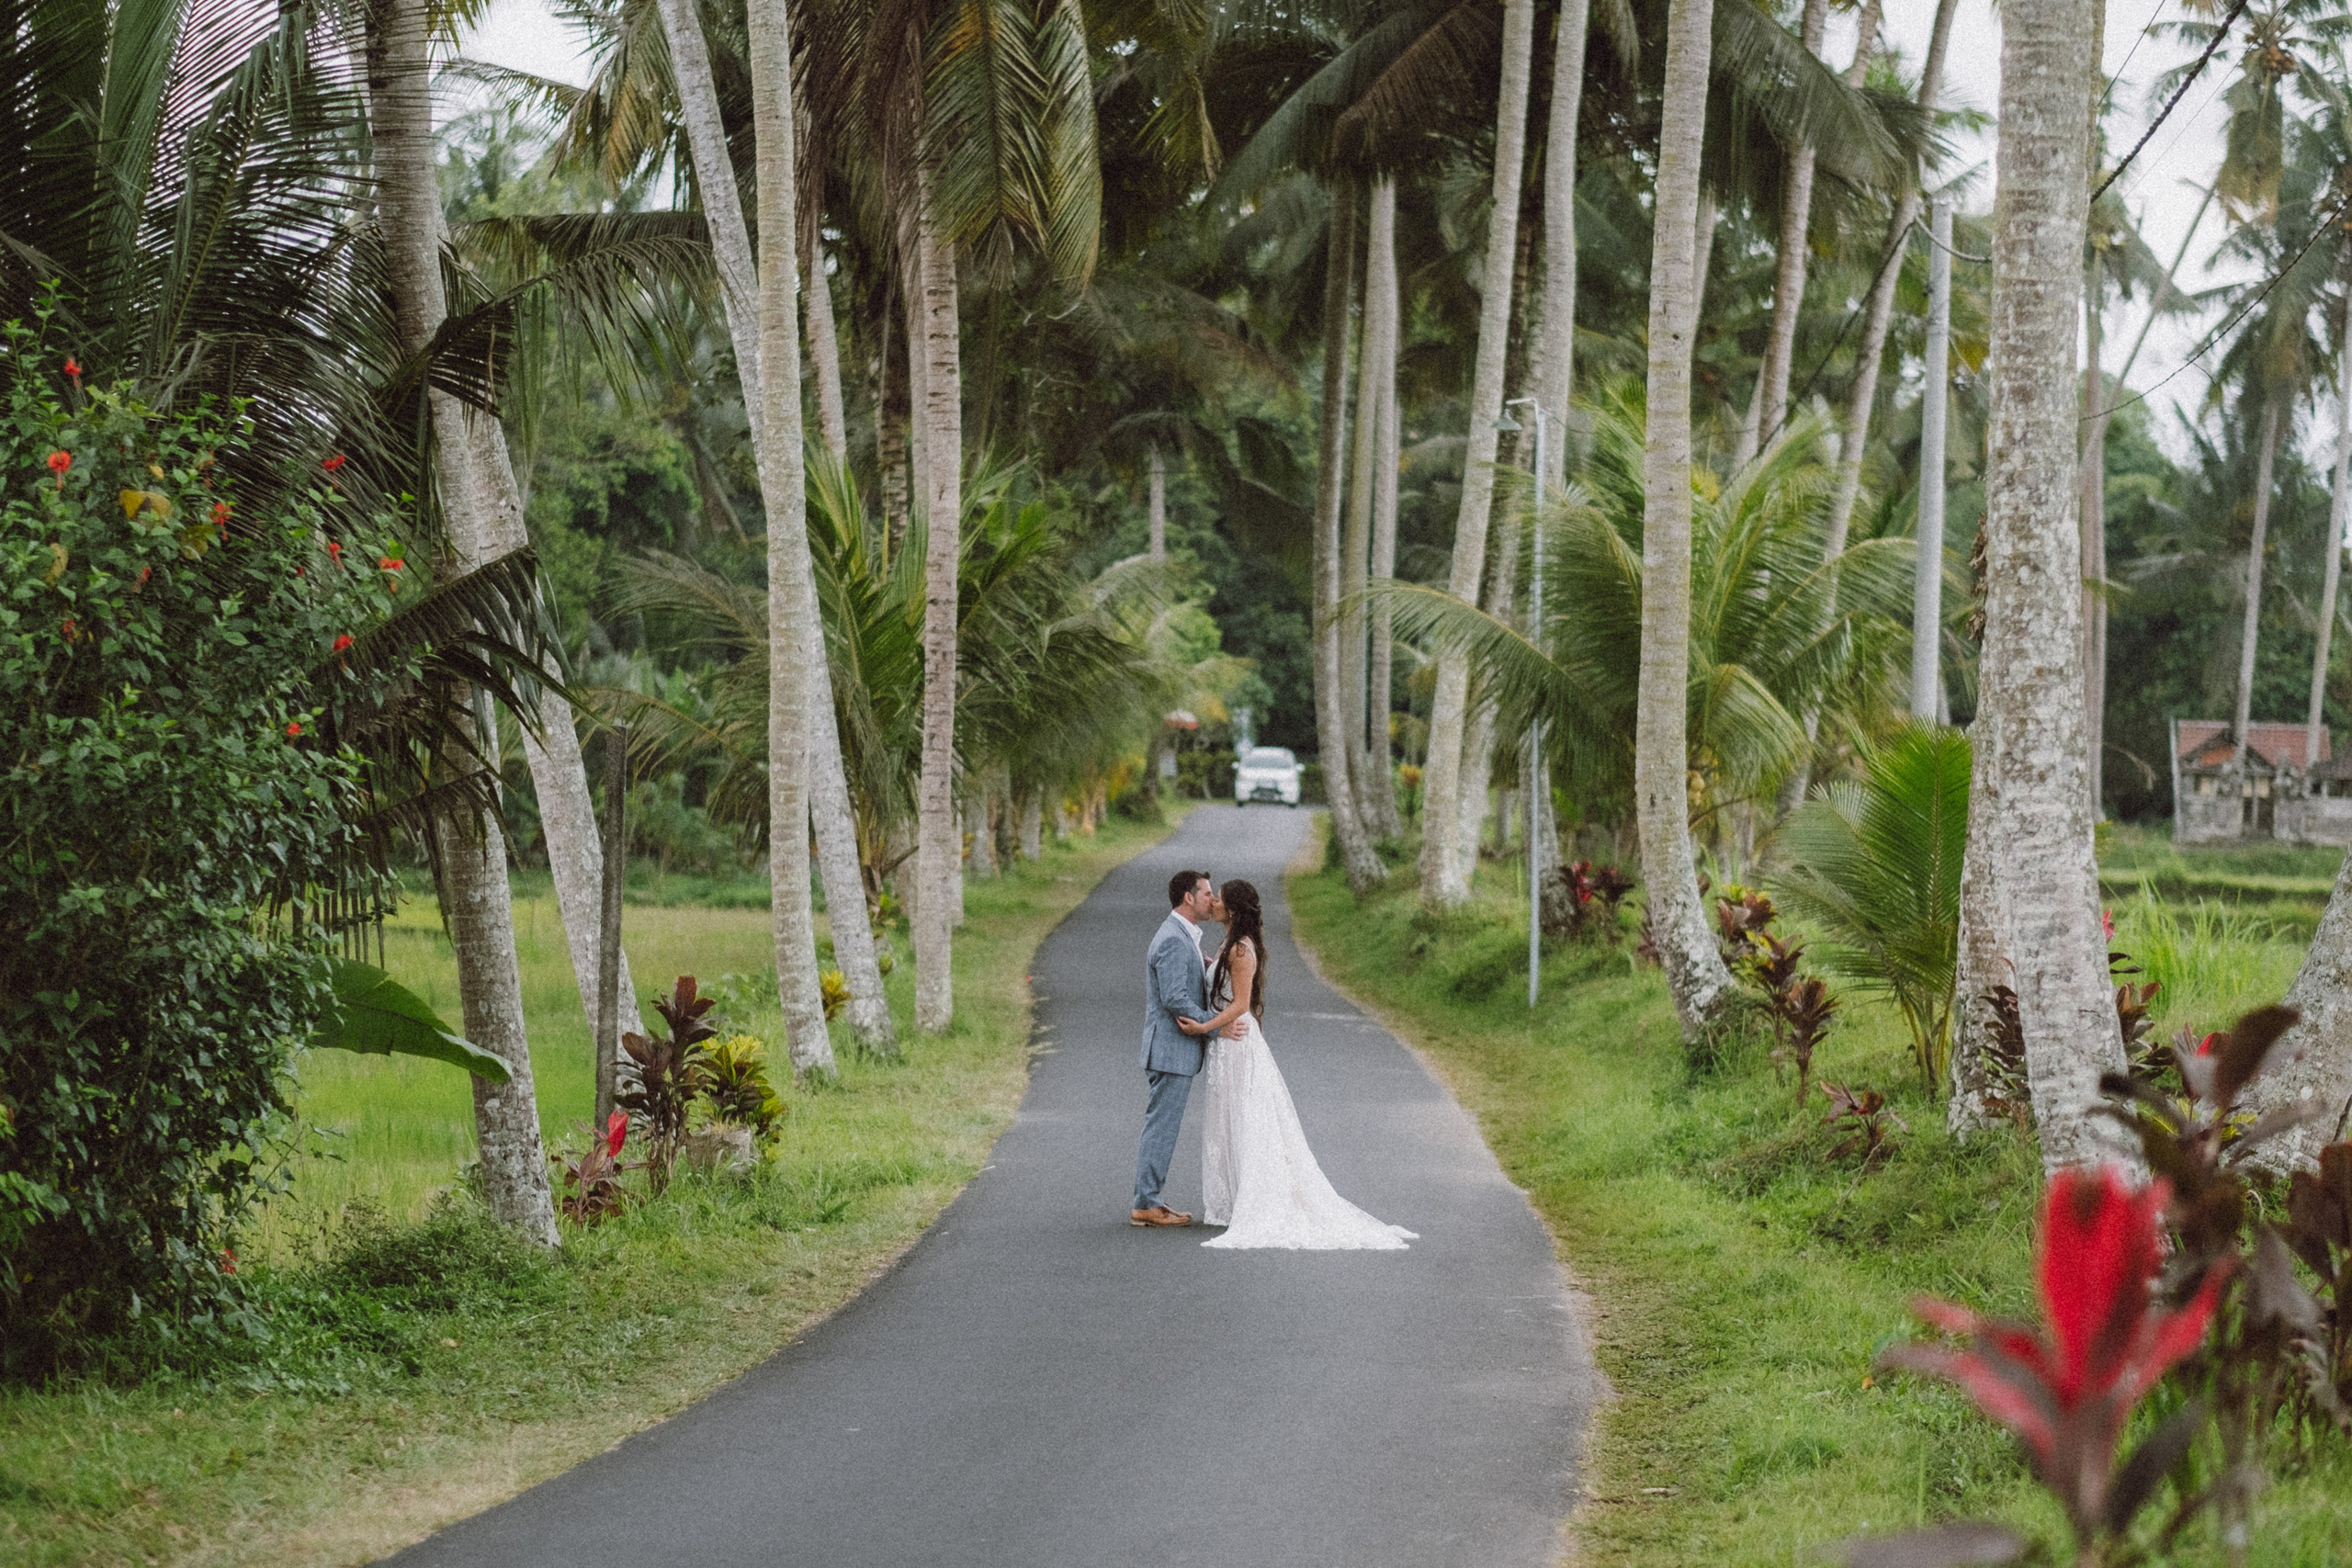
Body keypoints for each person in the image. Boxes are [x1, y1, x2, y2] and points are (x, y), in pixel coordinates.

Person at [1181, 879, 1415, 1250]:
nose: (1215, 904)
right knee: (1228, 1117)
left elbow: (1240, 1004)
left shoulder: (1241, 950)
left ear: (1235, 910)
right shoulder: (1229, 945)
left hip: (1238, 1044)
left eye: (1221, 900)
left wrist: (1204, 1027)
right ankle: (1232, 1198)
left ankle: (1255, 1199)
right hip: (1226, 1047)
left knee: (1246, 1117)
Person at [1130, 869, 1238, 1226]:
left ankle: (1150, 1199)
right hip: (1171, 1049)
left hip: (1174, 1050)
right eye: (1207, 893)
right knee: (1162, 1127)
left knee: (1163, 1126)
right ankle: (1146, 1203)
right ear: (1188, 898)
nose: (1213, 899)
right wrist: (1214, 1027)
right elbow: (1175, 997)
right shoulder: (1174, 938)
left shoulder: (1183, 934)